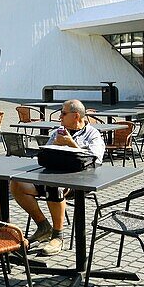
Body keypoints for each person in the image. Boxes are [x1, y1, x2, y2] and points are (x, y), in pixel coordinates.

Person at [10, 99, 105, 255]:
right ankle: (43, 226)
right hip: (52, 175)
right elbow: (45, 153)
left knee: (53, 186)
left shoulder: (92, 134)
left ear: (75, 116)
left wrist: (71, 144)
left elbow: (96, 159)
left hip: (78, 181)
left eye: (63, 113)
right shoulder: (58, 132)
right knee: (16, 183)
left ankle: (58, 236)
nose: (60, 116)